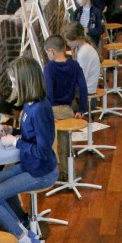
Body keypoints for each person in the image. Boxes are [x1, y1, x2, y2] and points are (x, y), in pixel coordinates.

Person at [0, 56, 59, 243]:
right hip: (30, 165)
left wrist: (15, 142)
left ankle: (27, 242)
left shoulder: (40, 109)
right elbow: (31, 136)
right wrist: (13, 131)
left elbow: (43, 150)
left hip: (41, 172)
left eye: (15, 82)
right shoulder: (30, 104)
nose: (14, 87)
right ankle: (22, 227)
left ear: (26, 82)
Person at [43, 34, 87, 179]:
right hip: (68, 110)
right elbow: (83, 87)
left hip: (53, 111)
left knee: (52, 145)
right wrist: (81, 109)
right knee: (67, 145)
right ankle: (69, 174)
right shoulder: (74, 65)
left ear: (51, 51)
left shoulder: (49, 68)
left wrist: (48, 114)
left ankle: (53, 175)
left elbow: (48, 93)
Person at [63, 21, 101, 97]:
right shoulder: (80, 48)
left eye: (69, 41)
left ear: (78, 38)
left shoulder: (84, 52)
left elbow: (82, 78)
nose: (68, 43)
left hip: (87, 89)